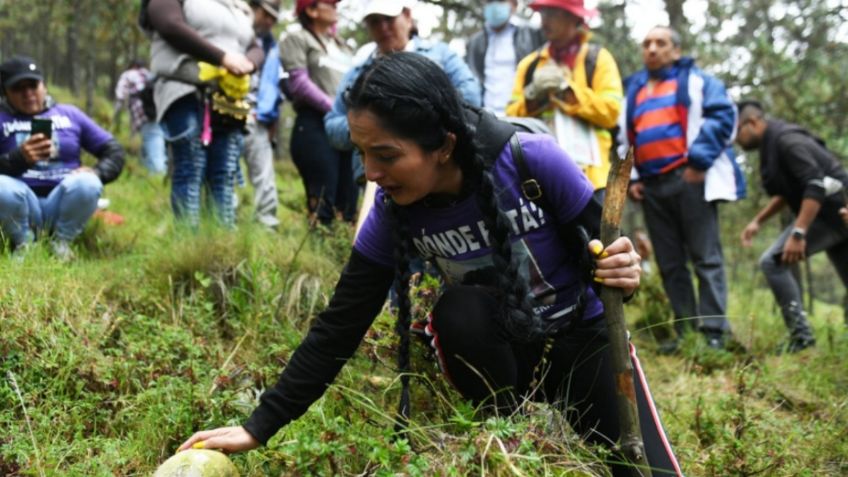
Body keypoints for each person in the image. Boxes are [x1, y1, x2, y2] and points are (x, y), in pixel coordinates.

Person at [177, 53, 682, 477]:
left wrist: (625, 273)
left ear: (444, 146)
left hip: (585, 339)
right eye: (361, 154)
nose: (371, 173)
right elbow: (341, 323)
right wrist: (260, 424)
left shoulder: (532, 160)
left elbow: (609, 262)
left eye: (387, 156)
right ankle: (513, 431)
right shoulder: (394, 210)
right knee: (456, 311)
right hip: (511, 354)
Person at [618, 26, 745, 351]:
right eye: (647, 43)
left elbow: (723, 116)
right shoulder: (634, 91)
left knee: (706, 257)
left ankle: (715, 332)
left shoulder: (698, 81)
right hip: (652, 188)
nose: (652, 49)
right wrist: (633, 179)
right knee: (670, 262)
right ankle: (686, 332)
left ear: (675, 50)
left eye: (660, 43)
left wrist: (698, 163)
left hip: (689, 180)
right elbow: (624, 137)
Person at [324, 0, 482, 189]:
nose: (383, 27)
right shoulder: (357, 73)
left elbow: (471, 96)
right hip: (377, 186)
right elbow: (332, 124)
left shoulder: (440, 56)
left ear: (407, 16)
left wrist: (411, 117)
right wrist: (367, 132)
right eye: (374, 21)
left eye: (389, 19)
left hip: (438, 175)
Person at [735, 100, 848, 352]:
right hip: (831, 214)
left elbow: (814, 184)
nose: (736, 140)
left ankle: (801, 337)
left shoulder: (786, 141)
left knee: (772, 262)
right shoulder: (772, 144)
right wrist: (758, 221)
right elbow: (789, 192)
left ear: (752, 122)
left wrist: (798, 232)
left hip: (833, 212)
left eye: (737, 132)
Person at [146, 0, 264, 228]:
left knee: (224, 175)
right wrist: (223, 58)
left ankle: (220, 248)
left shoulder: (237, 6)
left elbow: (254, 45)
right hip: (184, 88)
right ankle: (189, 248)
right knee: (190, 168)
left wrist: (249, 64)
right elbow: (169, 24)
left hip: (228, 99)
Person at [0, 56, 125, 260]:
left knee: (88, 182)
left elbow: (114, 150)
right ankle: (22, 242)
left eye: (33, 85)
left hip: (64, 200)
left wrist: (98, 172)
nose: (28, 93)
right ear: (5, 93)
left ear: (44, 86)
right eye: (18, 88)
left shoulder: (69, 114)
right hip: (19, 202)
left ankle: (61, 242)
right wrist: (18, 159)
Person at [505, 0, 622, 197]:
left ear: (573, 17)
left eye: (552, 13)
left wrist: (566, 91)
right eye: (542, 13)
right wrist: (533, 95)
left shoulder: (598, 58)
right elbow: (511, 117)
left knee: (597, 229)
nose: (544, 21)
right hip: (543, 175)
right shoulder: (529, 65)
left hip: (592, 176)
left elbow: (611, 112)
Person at [281, 0, 356, 226]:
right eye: (329, 3)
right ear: (312, 10)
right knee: (324, 197)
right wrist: (335, 108)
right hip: (314, 126)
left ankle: (344, 254)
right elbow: (299, 84)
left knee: (350, 201)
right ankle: (317, 252)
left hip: (348, 128)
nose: (336, 7)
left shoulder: (345, 48)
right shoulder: (298, 39)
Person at [242, 0, 282, 230]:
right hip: (225, 111)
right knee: (225, 171)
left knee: (264, 174)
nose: (268, 21)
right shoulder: (235, 32)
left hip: (259, 116)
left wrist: (271, 118)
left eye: (273, 18)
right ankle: (225, 222)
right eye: (265, 14)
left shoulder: (271, 46)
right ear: (253, 8)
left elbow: (274, 85)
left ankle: (267, 225)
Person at [465, 0, 544, 115]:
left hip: (524, 119)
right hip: (486, 120)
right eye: (490, 1)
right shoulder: (474, 43)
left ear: (514, 5)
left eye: (501, 1)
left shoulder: (533, 35)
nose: (495, 5)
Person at [113, 59, 168, 175]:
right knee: (148, 147)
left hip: (145, 116)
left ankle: (158, 175)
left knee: (155, 151)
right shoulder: (149, 75)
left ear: (132, 66)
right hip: (161, 114)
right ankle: (150, 178)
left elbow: (120, 95)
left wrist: (114, 117)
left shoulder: (128, 75)